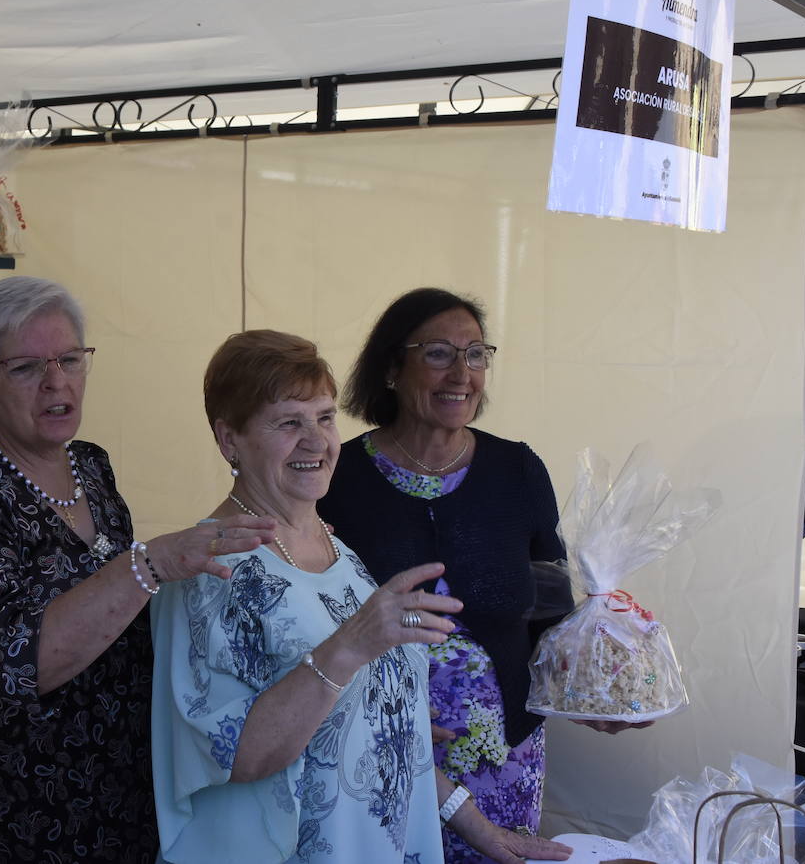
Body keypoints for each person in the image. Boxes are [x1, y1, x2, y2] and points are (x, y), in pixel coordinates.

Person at [151, 329, 570, 864]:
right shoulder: (207, 569)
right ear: (229, 439)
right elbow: (234, 755)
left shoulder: (338, 552)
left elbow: (382, 727)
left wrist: (478, 827)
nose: (316, 441)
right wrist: (348, 646)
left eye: (325, 418)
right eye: (287, 423)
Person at [0, 277, 275, 864]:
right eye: (25, 368)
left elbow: (124, 621)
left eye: (70, 359)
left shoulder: (90, 466)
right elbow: (17, 661)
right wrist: (149, 564)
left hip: (115, 798)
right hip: (5, 813)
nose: (57, 382)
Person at [318, 288, 638, 864]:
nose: (461, 373)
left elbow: (548, 609)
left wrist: (593, 688)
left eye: (476, 354)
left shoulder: (517, 470)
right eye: (438, 353)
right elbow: (316, 620)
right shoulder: (337, 479)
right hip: (378, 747)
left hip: (502, 754)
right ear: (392, 367)